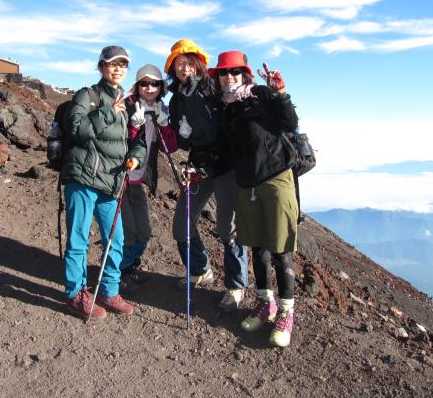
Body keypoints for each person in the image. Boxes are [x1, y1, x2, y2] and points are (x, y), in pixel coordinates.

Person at [211, 50, 299, 347]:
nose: (229, 77)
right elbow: (226, 150)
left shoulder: (260, 94)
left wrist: (280, 93)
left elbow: (289, 124)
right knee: (258, 247)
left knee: (279, 248)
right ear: (218, 77)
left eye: (235, 71)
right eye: (224, 72)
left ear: (245, 73)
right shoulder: (226, 108)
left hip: (275, 178)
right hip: (246, 184)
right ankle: (266, 304)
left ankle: (286, 312)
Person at [60, 45, 146, 320]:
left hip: (111, 182)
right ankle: (76, 294)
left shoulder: (129, 102)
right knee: (79, 239)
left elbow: (137, 140)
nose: (118, 68)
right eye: (112, 64)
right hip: (83, 179)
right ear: (101, 67)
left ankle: (108, 290)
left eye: (123, 64)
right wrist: (109, 111)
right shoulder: (88, 95)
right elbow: (74, 129)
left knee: (115, 239)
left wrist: (135, 157)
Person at [165, 39, 248, 312]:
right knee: (182, 225)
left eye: (190, 63)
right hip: (198, 166)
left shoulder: (212, 87)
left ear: (199, 64)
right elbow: (184, 141)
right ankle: (200, 270)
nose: (185, 68)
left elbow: (228, 129)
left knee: (228, 228)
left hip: (224, 166)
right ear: (173, 69)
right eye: (179, 64)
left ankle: (236, 287)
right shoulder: (177, 98)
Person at [119, 64, 177, 293]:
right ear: (137, 85)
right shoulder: (126, 106)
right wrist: (134, 126)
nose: (149, 87)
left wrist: (164, 124)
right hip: (120, 178)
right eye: (144, 82)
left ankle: (130, 266)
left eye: (154, 83)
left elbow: (169, 148)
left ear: (161, 86)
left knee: (143, 231)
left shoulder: (162, 108)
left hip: (139, 180)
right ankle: (117, 274)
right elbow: (119, 142)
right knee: (128, 231)